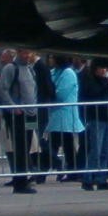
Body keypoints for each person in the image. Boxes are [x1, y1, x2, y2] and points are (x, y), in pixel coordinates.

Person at [0, 48, 38, 193]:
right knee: (19, 148)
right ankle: (20, 182)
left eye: (28, 52)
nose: (27, 55)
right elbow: (2, 90)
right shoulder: (10, 68)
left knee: (27, 147)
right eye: (23, 52)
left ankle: (25, 178)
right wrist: (14, 107)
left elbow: (34, 89)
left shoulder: (30, 69)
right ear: (18, 54)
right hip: (18, 115)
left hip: (31, 115)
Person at [78, 59, 108, 190]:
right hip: (96, 117)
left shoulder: (107, 82)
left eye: (105, 68)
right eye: (101, 68)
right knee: (95, 150)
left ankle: (101, 178)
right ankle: (88, 178)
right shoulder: (89, 80)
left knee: (105, 151)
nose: (103, 71)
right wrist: (106, 83)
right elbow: (93, 93)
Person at [44, 54, 84, 182]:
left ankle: (48, 171)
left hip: (65, 114)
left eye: (52, 57)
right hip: (55, 114)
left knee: (60, 145)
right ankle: (67, 170)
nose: (50, 59)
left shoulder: (68, 73)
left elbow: (61, 94)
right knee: (59, 145)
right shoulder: (54, 71)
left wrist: (49, 92)